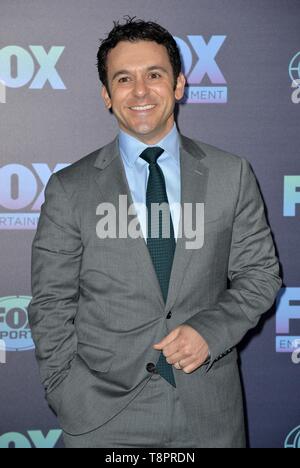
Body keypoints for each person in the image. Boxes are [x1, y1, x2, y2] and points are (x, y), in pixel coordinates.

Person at [28, 17, 282, 448]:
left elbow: (260, 276)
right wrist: (65, 392)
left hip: (209, 416)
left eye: (154, 75)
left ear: (179, 85)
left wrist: (210, 330)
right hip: (102, 418)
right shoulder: (70, 189)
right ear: (107, 95)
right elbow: (51, 302)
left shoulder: (230, 174)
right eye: (124, 79)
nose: (140, 91)